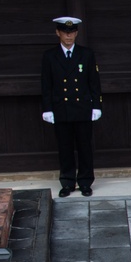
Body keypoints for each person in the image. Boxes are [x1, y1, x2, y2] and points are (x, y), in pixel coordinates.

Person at [41, 16, 102, 197]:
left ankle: (85, 181)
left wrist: (96, 105)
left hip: (82, 107)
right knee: (65, 147)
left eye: (72, 32)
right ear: (58, 33)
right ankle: (67, 182)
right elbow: (46, 84)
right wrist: (47, 108)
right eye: (65, 33)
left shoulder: (86, 54)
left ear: (76, 33)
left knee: (85, 147)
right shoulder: (50, 56)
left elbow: (94, 83)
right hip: (61, 108)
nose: (69, 36)